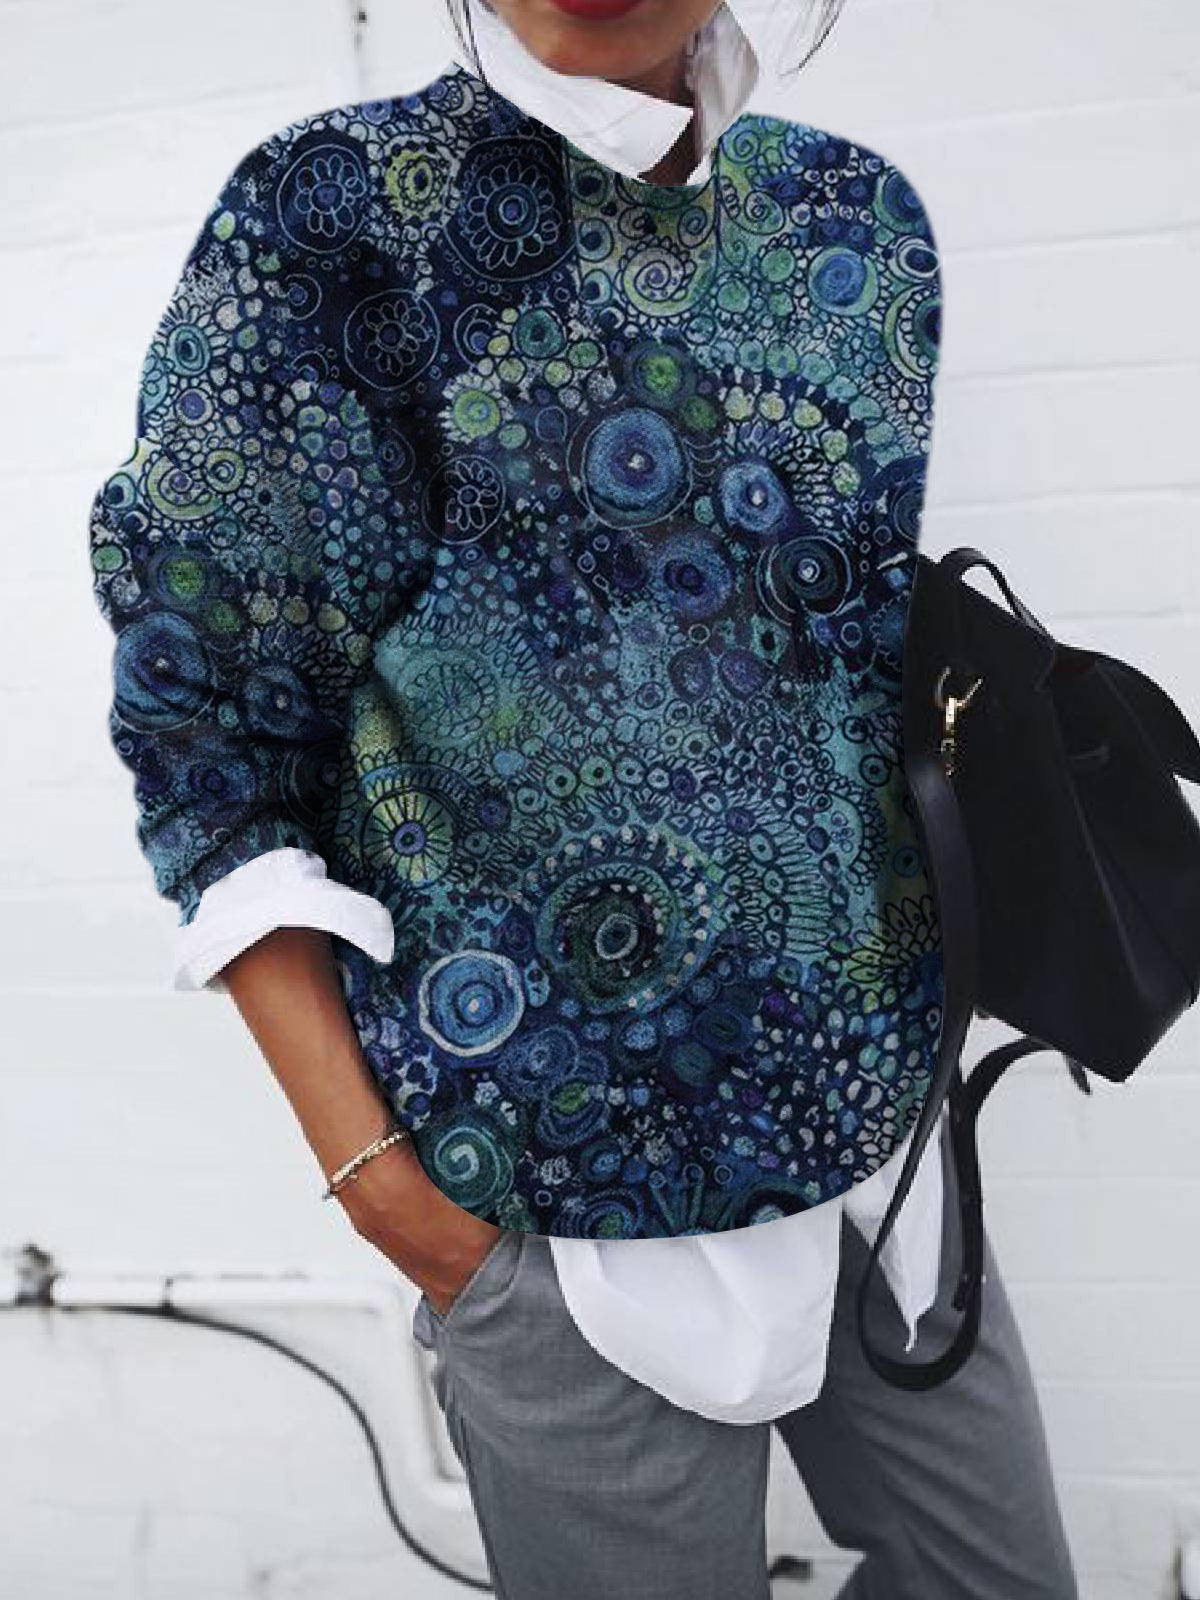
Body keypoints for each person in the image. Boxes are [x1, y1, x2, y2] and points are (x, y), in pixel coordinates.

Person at [86, 1, 1080, 1594]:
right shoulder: (341, 216)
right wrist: (391, 1197)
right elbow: (212, 739)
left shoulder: (851, 218)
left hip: (876, 1141)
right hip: (546, 1194)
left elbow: (822, 662)